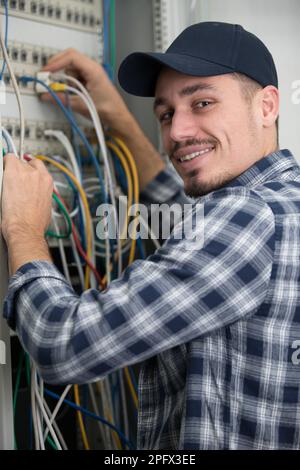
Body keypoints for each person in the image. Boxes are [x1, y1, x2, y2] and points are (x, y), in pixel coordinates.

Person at [2, 21, 300, 450]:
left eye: (202, 102)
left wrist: (22, 226)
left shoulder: (246, 217)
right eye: (165, 114)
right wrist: (118, 119)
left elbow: (61, 344)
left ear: (268, 105)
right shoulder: (278, 206)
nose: (177, 132)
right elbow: (186, 227)